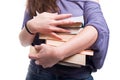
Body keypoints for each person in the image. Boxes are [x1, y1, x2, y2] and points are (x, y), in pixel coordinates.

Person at [19, 0, 109, 80]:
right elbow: (24, 42)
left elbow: (97, 29)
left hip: (76, 74)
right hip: (38, 72)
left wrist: (58, 53)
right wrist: (30, 27)